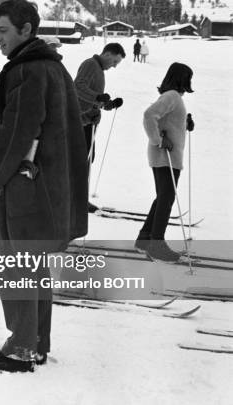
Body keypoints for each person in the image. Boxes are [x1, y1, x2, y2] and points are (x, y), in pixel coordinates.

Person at [0, 0, 88, 373]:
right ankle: (35, 342)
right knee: (34, 266)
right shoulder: (54, 68)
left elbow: (17, 133)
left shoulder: (27, 71)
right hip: (48, 188)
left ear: (26, 30)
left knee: (19, 264)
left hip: (25, 185)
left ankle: (21, 348)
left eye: (3, 31)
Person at [134, 63, 194, 262]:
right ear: (181, 78)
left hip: (166, 155)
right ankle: (156, 244)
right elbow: (149, 115)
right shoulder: (172, 96)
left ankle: (144, 239)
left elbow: (166, 122)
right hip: (165, 156)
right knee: (166, 199)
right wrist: (159, 140)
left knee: (163, 197)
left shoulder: (172, 96)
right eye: (188, 78)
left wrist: (186, 123)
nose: (189, 82)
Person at [74, 43, 125, 212]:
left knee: (87, 159)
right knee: (81, 161)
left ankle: (79, 198)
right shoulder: (90, 64)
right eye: (115, 62)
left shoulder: (98, 70)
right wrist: (98, 97)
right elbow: (78, 87)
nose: (114, 66)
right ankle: (76, 199)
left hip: (88, 122)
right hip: (79, 122)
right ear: (108, 54)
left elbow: (95, 100)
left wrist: (109, 104)